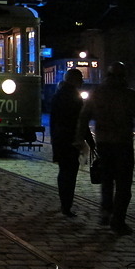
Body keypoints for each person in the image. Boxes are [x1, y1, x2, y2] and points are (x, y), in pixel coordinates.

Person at [75, 62, 135, 235]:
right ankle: (118, 220)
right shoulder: (129, 95)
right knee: (123, 185)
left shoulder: (97, 93)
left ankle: (106, 211)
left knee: (107, 181)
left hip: (104, 143)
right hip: (123, 144)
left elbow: (84, 117)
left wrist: (79, 138)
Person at [51, 68, 93, 217]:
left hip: (60, 139)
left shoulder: (57, 95)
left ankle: (64, 203)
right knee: (70, 173)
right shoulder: (74, 96)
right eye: (80, 78)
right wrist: (90, 141)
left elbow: (53, 121)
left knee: (64, 172)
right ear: (73, 80)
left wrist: (54, 141)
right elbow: (81, 121)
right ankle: (67, 205)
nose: (82, 81)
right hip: (71, 140)